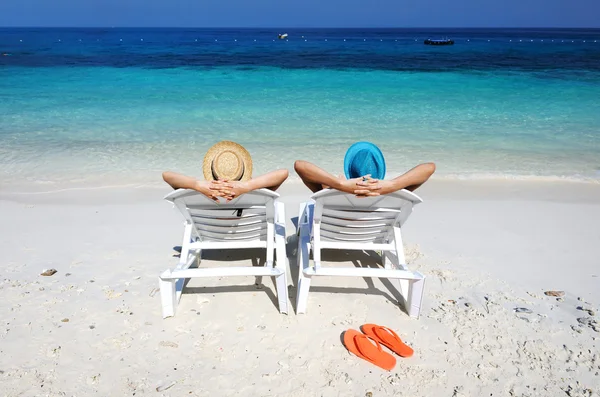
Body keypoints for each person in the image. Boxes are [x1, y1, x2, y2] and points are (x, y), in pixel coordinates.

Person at [294, 141, 435, 197]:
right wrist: (393, 185)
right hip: (372, 233)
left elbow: (300, 165)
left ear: (350, 169)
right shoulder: (392, 194)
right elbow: (430, 168)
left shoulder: (332, 192)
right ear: (380, 170)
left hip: (336, 231)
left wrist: (339, 185)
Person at [163, 140, 288, 202]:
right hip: (249, 232)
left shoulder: (204, 194)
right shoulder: (256, 192)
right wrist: (247, 186)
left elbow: (167, 175)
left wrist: (197, 185)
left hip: (211, 234)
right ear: (243, 170)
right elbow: (283, 173)